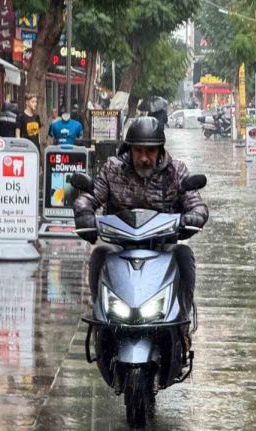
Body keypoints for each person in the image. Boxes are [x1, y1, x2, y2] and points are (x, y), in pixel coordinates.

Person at [74, 116, 209, 324]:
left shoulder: (176, 172)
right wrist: (84, 214)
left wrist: (193, 217)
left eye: (150, 151)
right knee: (99, 254)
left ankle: (183, 319)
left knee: (184, 254)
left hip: (162, 248)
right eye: (138, 151)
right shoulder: (112, 169)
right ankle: (100, 316)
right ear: (129, 149)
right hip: (120, 247)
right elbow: (91, 196)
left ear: (160, 150)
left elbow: (196, 204)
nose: (144, 158)